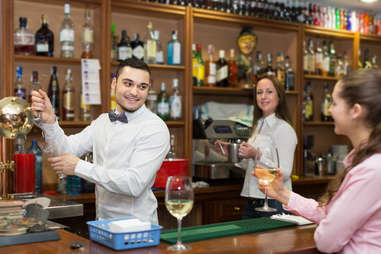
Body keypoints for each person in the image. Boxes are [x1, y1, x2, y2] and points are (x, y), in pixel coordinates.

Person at [255, 69, 381, 253]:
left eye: (335, 103)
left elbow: (327, 239)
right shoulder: (363, 162)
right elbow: (328, 214)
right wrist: (282, 193)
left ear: (355, 111)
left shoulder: (372, 170)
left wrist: (329, 226)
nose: (329, 109)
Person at [31, 58, 170, 224]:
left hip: (136, 229)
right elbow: (65, 151)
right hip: (102, 225)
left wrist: (79, 166)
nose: (134, 92)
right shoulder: (102, 122)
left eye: (142, 86)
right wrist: (49, 122)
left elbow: (134, 184)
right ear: (114, 84)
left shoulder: (154, 128)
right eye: (128, 83)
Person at [216, 75, 297, 218]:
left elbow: (284, 173)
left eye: (269, 92)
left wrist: (257, 155)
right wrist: (232, 153)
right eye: (259, 92)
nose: (263, 96)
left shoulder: (284, 129)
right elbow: (252, 167)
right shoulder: (258, 126)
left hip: (274, 203)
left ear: (279, 96)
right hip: (252, 200)